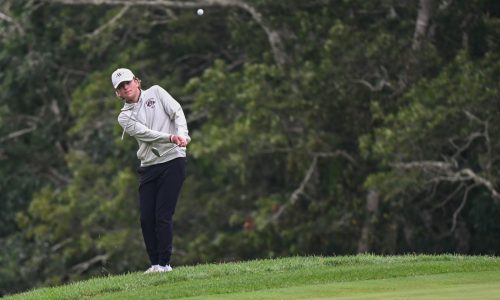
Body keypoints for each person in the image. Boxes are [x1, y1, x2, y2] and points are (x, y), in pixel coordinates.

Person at [112, 68, 190, 273]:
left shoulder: (156, 92)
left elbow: (177, 111)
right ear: (118, 94)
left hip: (173, 159)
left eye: (128, 82)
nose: (125, 87)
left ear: (137, 81)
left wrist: (182, 135)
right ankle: (155, 264)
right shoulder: (124, 118)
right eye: (121, 86)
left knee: (162, 215)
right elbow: (146, 134)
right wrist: (171, 137)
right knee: (146, 218)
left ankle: (165, 264)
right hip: (148, 166)